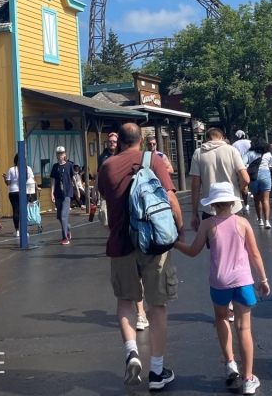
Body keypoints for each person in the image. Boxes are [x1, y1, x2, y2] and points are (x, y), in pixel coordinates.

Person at [96, 123, 181, 391]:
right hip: (153, 244)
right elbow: (170, 199)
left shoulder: (107, 167)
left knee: (125, 301)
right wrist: (177, 231)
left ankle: (131, 351)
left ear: (118, 141)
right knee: (157, 306)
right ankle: (157, 371)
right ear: (141, 141)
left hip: (121, 243)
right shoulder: (152, 160)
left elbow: (104, 195)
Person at [174, 182, 270, 395]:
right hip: (242, 280)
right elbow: (254, 254)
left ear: (213, 205)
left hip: (219, 281)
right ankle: (248, 379)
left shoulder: (207, 225)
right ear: (232, 201)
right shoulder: (243, 223)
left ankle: (229, 363)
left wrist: (175, 243)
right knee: (244, 329)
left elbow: (193, 251)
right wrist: (262, 279)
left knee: (222, 319)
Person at [189, 127, 250, 233]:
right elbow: (245, 179)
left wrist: (195, 213)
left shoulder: (198, 153)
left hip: (210, 209)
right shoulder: (231, 150)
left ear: (206, 139)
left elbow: (195, 186)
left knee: (215, 246)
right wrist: (236, 190)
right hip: (233, 206)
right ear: (222, 138)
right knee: (238, 243)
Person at [243, 139, 272, 229]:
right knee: (265, 200)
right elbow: (271, 166)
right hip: (265, 175)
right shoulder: (268, 153)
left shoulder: (249, 153)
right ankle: (267, 221)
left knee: (256, 199)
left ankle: (260, 219)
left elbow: (242, 163)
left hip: (254, 176)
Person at [3, 155, 37, 233]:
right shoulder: (28, 169)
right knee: (24, 211)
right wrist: (37, 188)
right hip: (25, 192)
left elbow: (8, 183)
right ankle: (25, 230)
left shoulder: (11, 169)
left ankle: (17, 230)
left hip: (13, 192)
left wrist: (5, 177)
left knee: (16, 211)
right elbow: (32, 180)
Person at [49, 147, 76, 244]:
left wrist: (77, 189)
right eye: (58, 153)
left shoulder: (69, 165)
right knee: (60, 216)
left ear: (65, 154)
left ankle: (65, 237)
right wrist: (51, 193)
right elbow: (53, 181)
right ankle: (67, 227)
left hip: (67, 193)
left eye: (62, 153)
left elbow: (73, 178)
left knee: (64, 216)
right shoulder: (55, 167)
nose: (60, 155)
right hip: (58, 193)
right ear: (56, 155)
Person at [231, 131, 252, 213]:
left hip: (239, 167)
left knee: (241, 185)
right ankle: (247, 202)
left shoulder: (234, 145)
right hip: (250, 165)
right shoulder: (249, 142)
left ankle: (243, 202)